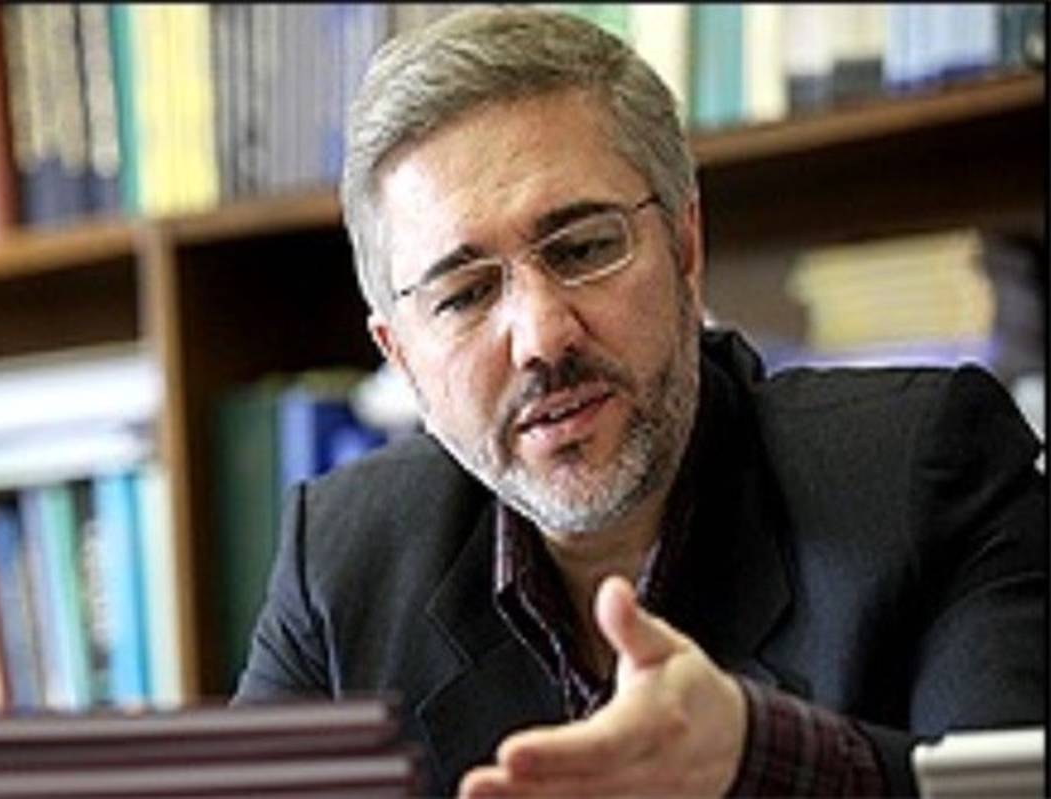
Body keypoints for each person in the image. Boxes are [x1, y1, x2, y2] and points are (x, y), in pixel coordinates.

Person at [234, 7, 1046, 796]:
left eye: (584, 248)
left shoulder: (927, 471)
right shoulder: (342, 561)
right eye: (466, 294)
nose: (542, 337)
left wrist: (758, 759)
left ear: (685, 248)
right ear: (402, 356)